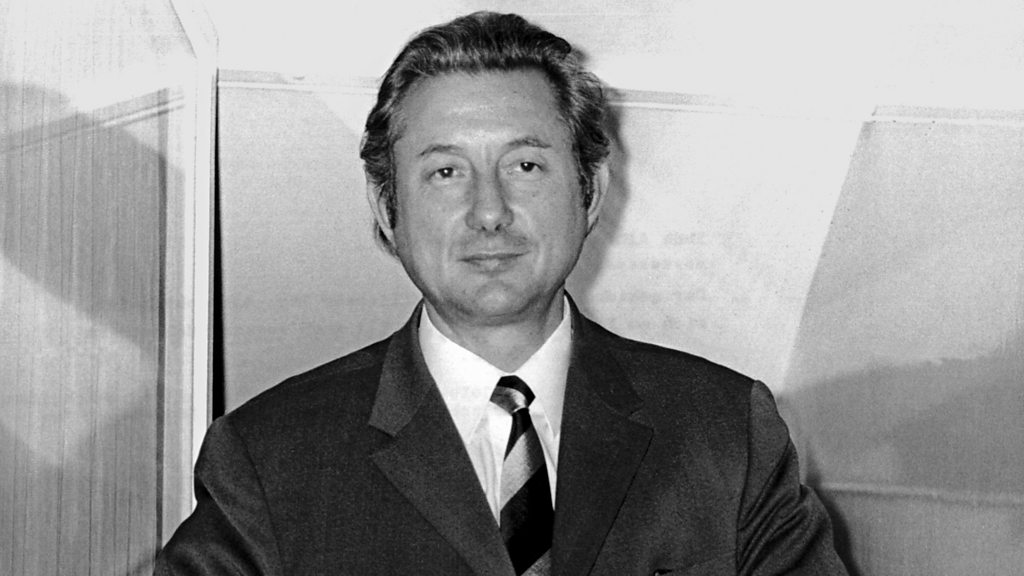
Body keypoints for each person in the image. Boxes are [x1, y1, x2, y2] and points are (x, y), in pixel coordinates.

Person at [155, 11, 848, 576]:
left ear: (591, 192)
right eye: (446, 172)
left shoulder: (727, 432)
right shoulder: (268, 456)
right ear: (386, 206)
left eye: (525, 165)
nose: (489, 211)